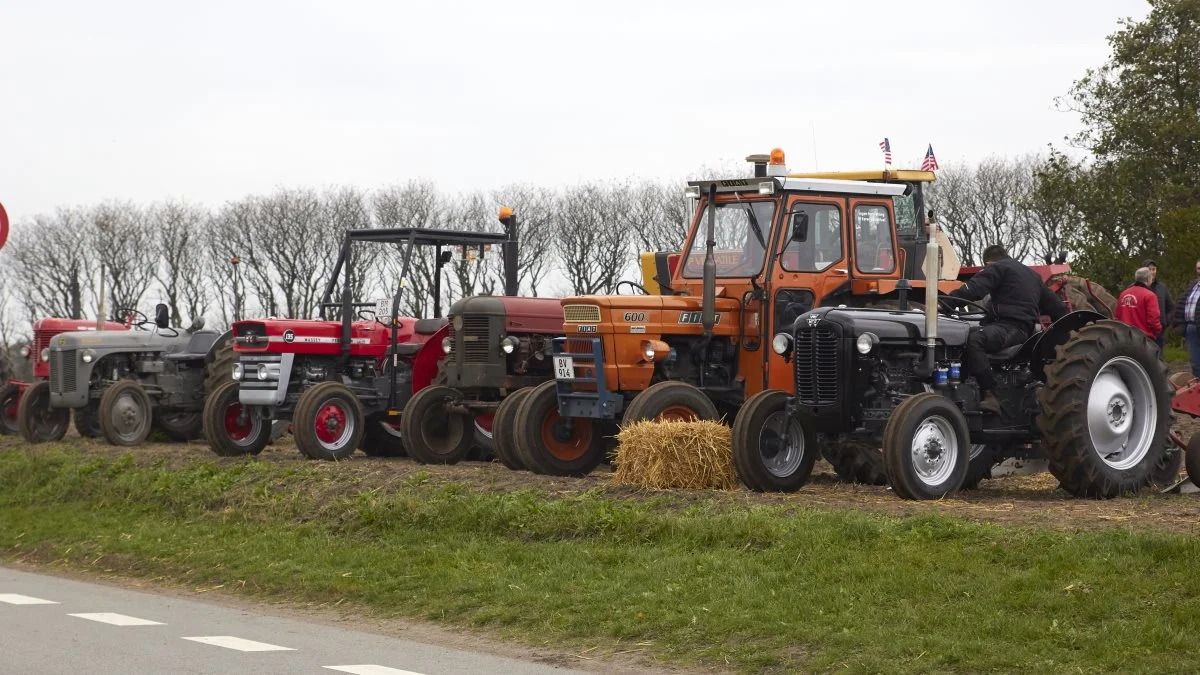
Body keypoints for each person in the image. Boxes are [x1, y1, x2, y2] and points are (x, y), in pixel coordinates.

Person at [948, 244, 1067, 415]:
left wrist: (947, 302)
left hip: (1010, 327)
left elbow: (974, 289)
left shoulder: (998, 267)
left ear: (988, 263)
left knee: (975, 340)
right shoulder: (1032, 276)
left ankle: (990, 395)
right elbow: (1058, 310)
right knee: (974, 334)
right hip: (1024, 329)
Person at [1115, 267, 1162, 341]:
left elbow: (1117, 316)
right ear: (1148, 279)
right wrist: (1157, 332)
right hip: (1142, 339)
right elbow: (1153, 320)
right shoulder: (1150, 295)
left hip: (1123, 338)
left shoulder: (1123, 294)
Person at [1173, 258, 1200, 378]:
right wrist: (1179, 323)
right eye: (1199, 268)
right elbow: (1182, 304)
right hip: (1191, 328)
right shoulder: (1193, 286)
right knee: (1195, 363)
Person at [1143, 259, 1174, 348]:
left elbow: (1171, 307)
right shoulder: (1136, 287)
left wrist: (1165, 322)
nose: (1152, 272)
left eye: (1154, 269)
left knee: (1158, 358)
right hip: (1141, 330)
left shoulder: (1162, 287)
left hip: (1158, 331)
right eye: (1149, 269)